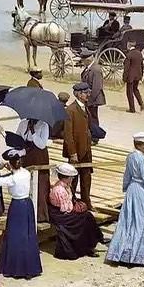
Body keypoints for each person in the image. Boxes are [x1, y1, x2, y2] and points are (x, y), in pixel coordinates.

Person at [106, 133, 144, 267]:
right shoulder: (142, 160)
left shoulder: (130, 157)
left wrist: (126, 187)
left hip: (132, 190)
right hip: (141, 191)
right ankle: (136, 256)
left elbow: (127, 175)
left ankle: (120, 252)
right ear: (140, 145)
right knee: (140, 222)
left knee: (128, 221)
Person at [0, 149, 43, 279]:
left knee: (15, 235)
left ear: (11, 164)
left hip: (17, 206)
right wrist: (11, 168)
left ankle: (15, 267)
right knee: (28, 235)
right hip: (27, 204)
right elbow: (17, 172)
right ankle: (30, 266)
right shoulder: (25, 173)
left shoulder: (12, 179)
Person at [48, 163, 104, 259]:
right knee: (86, 218)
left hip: (64, 212)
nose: (72, 179)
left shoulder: (66, 186)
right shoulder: (60, 190)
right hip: (61, 215)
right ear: (66, 177)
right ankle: (93, 242)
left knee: (87, 217)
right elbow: (66, 209)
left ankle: (93, 242)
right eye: (71, 177)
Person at [63, 82, 93, 210]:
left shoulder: (85, 107)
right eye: (86, 93)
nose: (88, 95)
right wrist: (72, 153)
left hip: (86, 149)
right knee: (73, 179)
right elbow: (68, 134)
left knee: (86, 177)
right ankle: (72, 201)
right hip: (76, 150)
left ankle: (87, 202)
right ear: (79, 94)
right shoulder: (71, 110)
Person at [17, 118, 51, 223]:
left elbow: (42, 144)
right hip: (27, 156)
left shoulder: (44, 125)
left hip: (39, 156)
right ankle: (25, 213)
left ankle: (41, 215)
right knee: (26, 185)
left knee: (41, 185)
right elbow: (18, 139)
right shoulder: (23, 123)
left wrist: (33, 132)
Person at [79, 48, 106, 128]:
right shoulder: (89, 68)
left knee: (93, 118)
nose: (82, 62)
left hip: (93, 99)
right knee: (89, 117)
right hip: (88, 98)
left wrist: (89, 99)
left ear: (88, 60)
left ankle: (95, 136)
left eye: (83, 60)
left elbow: (97, 87)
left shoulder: (96, 69)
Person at [123, 40, 144, 113]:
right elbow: (142, 66)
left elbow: (126, 68)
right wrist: (141, 75)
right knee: (136, 90)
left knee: (129, 92)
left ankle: (132, 109)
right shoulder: (139, 54)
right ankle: (141, 103)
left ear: (129, 46)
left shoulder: (129, 55)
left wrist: (124, 78)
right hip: (138, 75)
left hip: (130, 77)